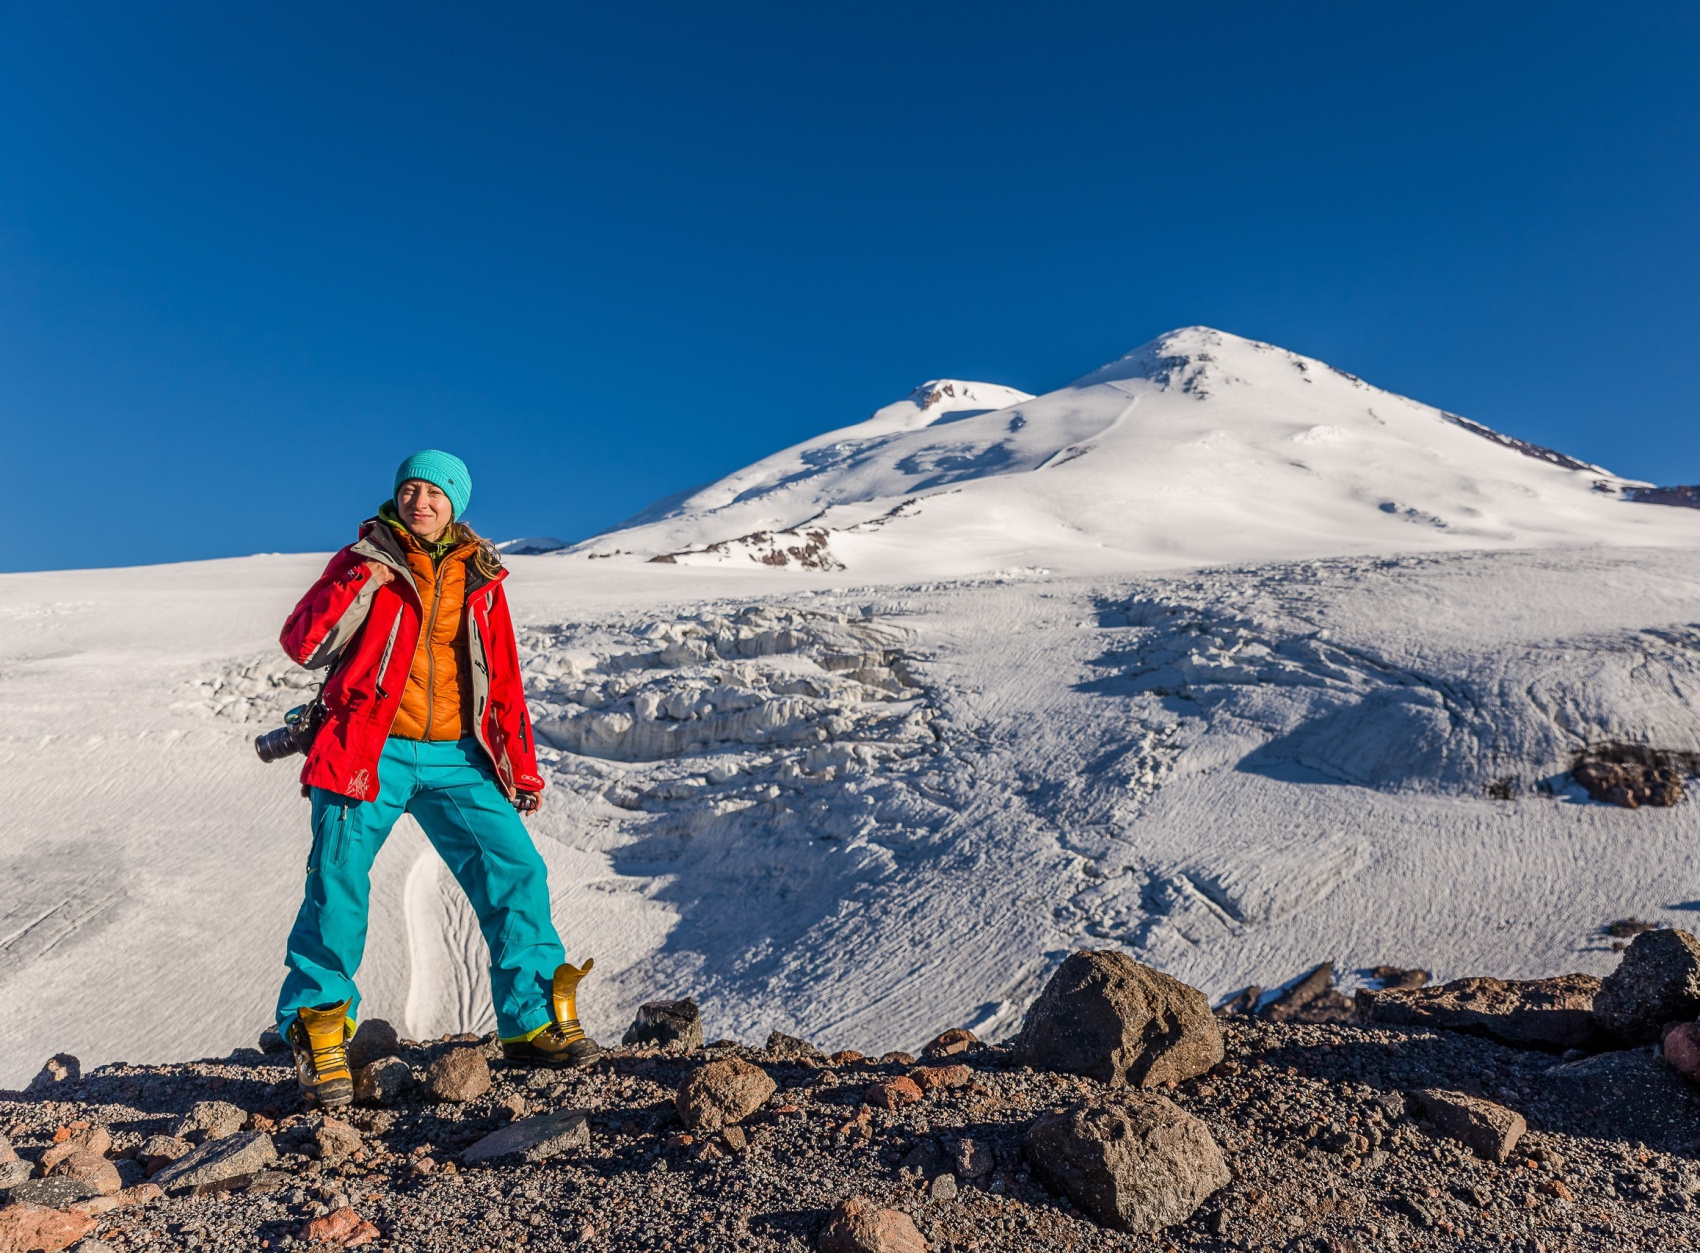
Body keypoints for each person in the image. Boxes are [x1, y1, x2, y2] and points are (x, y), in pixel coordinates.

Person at [273, 449, 602, 1108]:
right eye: (411, 488)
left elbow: (502, 678)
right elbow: (304, 644)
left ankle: (532, 1020)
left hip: (457, 754)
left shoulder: (480, 577)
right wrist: (359, 575)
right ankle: (321, 1030)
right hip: (370, 747)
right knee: (338, 884)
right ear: (396, 497)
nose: (421, 500)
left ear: (456, 504)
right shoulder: (363, 561)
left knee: (516, 870)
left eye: (435, 491)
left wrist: (520, 766)